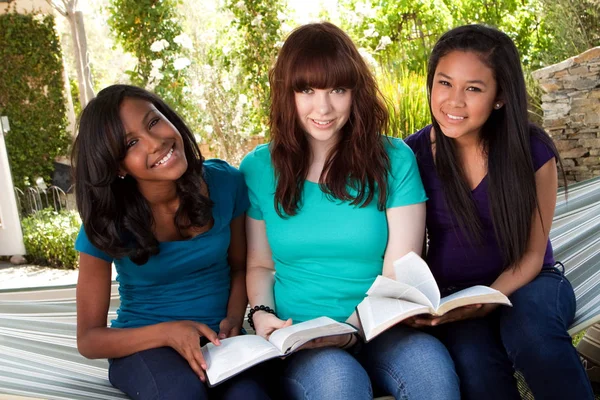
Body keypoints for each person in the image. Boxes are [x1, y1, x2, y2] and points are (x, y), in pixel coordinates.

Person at [240, 22, 460, 400]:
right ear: (286, 94)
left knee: (434, 375)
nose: (322, 108)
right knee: (339, 386)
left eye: (337, 90)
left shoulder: (394, 159)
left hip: (385, 327)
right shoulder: (260, 167)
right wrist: (261, 314)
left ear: (355, 92)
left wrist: (350, 328)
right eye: (307, 90)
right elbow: (260, 265)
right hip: (305, 338)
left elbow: (400, 268)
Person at [405, 24, 594, 400]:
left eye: (473, 88)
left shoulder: (532, 150)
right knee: (477, 369)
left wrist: (485, 299)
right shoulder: (411, 156)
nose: (453, 101)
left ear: (500, 97)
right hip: (452, 299)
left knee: (531, 333)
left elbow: (532, 254)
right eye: (444, 83)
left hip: (532, 283)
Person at [71, 84, 270, 400]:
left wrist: (233, 319)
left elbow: (238, 268)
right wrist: (168, 332)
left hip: (221, 344)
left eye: (153, 122)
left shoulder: (225, 183)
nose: (155, 142)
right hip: (146, 348)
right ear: (118, 166)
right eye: (132, 143)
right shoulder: (106, 220)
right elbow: (89, 339)